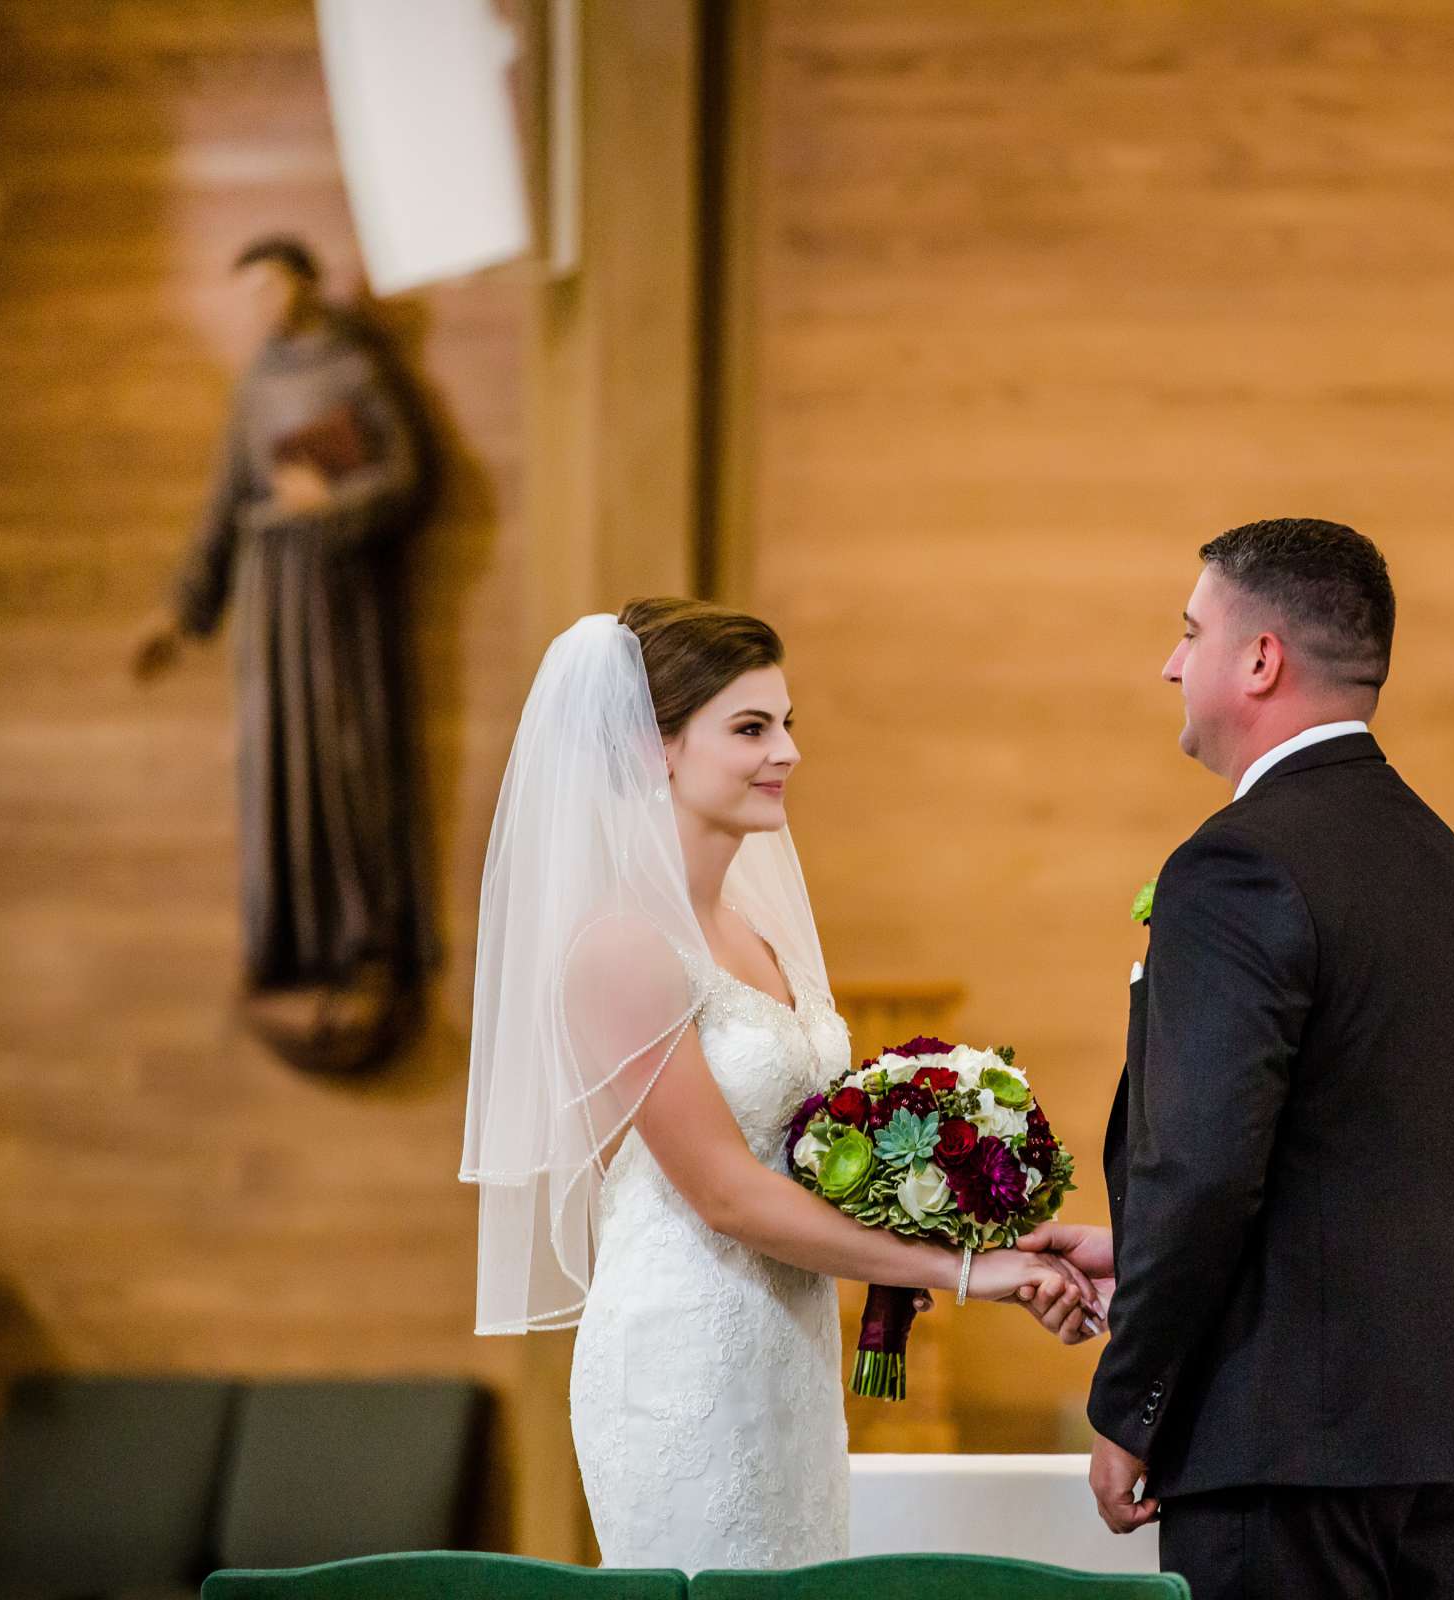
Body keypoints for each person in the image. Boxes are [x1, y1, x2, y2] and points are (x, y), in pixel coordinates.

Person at [460, 599, 1093, 1568]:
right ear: (651, 748)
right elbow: (723, 1191)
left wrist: (985, 1223)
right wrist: (965, 1274)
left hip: (786, 1344)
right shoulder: (623, 944)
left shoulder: (752, 933)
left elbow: (813, 1159)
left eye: (787, 723)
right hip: (684, 1351)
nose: (787, 751)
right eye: (751, 728)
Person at [1024, 520, 1454, 1600]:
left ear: (1260, 659)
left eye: (1190, 631)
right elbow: (1364, 1145)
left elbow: (1202, 1166)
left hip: (1284, 1431)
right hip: (1434, 1426)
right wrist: (1140, 1247)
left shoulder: (1238, 862)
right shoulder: (1445, 862)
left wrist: (1131, 1400)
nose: (1170, 662)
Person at [132, 234, 436, 1070]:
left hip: (338, 599)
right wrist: (180, 614)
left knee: (347, 761)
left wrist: (332, 498)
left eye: (271, 284)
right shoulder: (255, 386)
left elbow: (410, 475)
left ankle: (365, 944)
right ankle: (286, 946)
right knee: (276, 764)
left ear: (305, 282)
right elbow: (225, 506)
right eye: (251, 290)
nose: (264, 303)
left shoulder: (357, 371)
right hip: (270, 600)